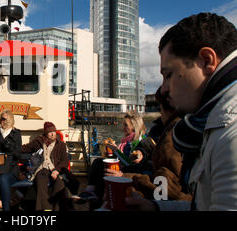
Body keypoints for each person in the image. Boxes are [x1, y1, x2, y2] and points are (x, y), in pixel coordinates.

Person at [126, 12, 237, 211]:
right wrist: (157, 208)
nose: (164, 89)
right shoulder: (214, 125)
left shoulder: (230, 136)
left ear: (206, 60)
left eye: (168, 75)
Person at [125, 87, 192, 201]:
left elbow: (165, 189)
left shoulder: (172, 135)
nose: (160, 116)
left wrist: (126, 178)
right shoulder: (186, 127)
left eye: (161, 111)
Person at [78, 111, 149, 209]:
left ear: (134, 126)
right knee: (99, 163)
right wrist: (111, 155)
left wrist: (116, 150)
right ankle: (91, 191)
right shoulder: (127, 141)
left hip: (130, 173)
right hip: (123, 169)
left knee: (99, 166)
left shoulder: (140, 142)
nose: (123, 128)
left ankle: (92, 193)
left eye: (126, 125)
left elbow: (130, 164)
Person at [22, 121, 72, 211]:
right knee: (40, 183)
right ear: (46, 133)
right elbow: (25, 148)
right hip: (41, 168)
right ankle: (45, 209)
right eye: (50, 132)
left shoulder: (60, 145)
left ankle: (56, 208)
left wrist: (56, 170)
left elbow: (64, 160)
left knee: (59, 184)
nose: (53, 134)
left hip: (55, 169)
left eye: (54, 131)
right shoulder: (38, 141)